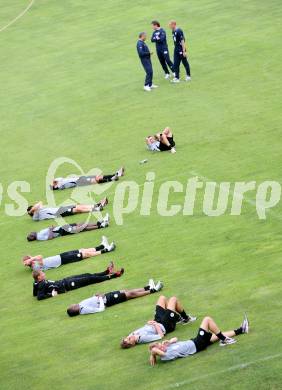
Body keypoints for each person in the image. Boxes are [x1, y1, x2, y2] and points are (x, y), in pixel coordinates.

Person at [149, 314, 249, 365]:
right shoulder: (166, 356)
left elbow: (176, 338)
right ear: (157, 352)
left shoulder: (167, 347)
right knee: (207, 319)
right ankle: (225, 340)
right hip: (197, 344)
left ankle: (241, 330)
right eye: (159, 347)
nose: (161, 345)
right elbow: (156, 351)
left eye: (159, 344)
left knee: (217, 335)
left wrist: (169, 341)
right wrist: (153, 354)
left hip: (196, 342)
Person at [120, 295, 196, 348]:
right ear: (133, 344)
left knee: (162, 298)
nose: (129, 337)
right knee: (173, 299)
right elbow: (160, 336)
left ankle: (176, 318)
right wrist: (155, 324)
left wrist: (150, 323)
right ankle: (186, 318)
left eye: (127, 337)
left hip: (158, 321)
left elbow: (146, 328)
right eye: (129, 339)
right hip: (165, 325)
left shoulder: (132, 335)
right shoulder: (143, 339)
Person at [66, 279, 163, 316]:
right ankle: (153, 290)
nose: (73, 304)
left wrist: (95, 296)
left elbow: (91, 301)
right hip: (108, 300)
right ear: (74, 309)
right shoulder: (84, 310)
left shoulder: (81, 305)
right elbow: (100, 309)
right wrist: (100, 298)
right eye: (72, 306)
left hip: (105, 296)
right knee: (130, 295)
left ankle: (148, 287)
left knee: (125, 291)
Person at [32, 261, 124, 300]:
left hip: (65, 281)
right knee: (89, 279)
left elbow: (35, 294)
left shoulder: (38, 283)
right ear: (39, 277)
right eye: (41, 273)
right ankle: (114, 275)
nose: (43, 273)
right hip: (67, 285)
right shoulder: (41, 284)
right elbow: (39, 297)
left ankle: (107, 271)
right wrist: (51, 295)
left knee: (87, 275)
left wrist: (35, 284)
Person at [23, 236, 115, 271]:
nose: (31, 257)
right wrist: (31, 259)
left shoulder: (34, 263)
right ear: (29, 262)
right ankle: (106, 250)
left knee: (81, 250)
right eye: (29, 258)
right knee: (84, 255)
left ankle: (102, 246)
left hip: (60, 256)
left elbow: (39, 257)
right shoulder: (35, 267)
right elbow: (40, 257)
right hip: (62, 260)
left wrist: (31, 259)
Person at [27, 214, 109, 242]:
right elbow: (50, 237)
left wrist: (52, 228)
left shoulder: (38, 233)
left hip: (61, 228)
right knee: (81, 228)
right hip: (61, 231)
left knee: (80, 224)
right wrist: (51, 229)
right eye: (31, 234)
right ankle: (100, 226)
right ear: (32, 237)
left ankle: (101, 222)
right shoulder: (39, 237)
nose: (31, 232)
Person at [27, 198, 108, 221]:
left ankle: (97, 205)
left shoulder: (38, 210)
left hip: (60, 209)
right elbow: (37, 206)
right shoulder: (35, 216)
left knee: (78, 206)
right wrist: (31, 211)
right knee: (77, 210)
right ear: (33, 211)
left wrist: (33, 208)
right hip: (58, 213)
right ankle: (96, 209)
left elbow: (40, 202)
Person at [50, 167, 125, 190]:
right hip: (79, 182)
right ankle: (115, 176)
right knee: (95, 180)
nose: (53, 183)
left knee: (97, 177)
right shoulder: (60, 186)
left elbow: (56, 180)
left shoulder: (59, 181)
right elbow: (54, 181)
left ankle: (115, 175)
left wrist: (53, 183)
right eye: (53, 184)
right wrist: (53, 183)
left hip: (80, 178)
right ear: (55, 186)